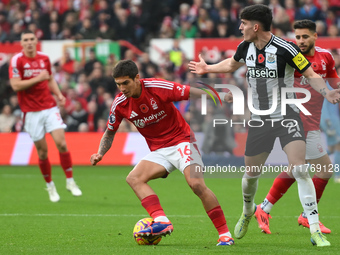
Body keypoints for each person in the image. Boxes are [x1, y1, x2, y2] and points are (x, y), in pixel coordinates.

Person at [188, 5, 340, 247]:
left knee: (300, 169)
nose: (240, 27)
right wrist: (208, 69)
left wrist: (328, 91)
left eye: (244, 23)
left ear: (255, 26)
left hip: (287, 115)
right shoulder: (245, 47)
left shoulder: (286, 48)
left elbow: (310, 74)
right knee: (250, 176)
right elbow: (231, 64)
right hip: (260, 119)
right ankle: (249, 210)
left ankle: (314, 228)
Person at [90, 59, 234, 246]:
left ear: (137, 78)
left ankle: (225, 234)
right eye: (118, 84)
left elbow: (190, 92)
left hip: (182, 141)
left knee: (196, 185)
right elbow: (110, 132)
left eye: (126, 83)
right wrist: (100, 153)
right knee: (133, 178)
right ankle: (162, 221)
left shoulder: (157, 86)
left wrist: (220, 96)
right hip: (159, 150)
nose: (122, 88)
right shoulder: (120, 104)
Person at [254, 20, 340, 235]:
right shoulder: (289, 55)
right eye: (298, 37)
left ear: (315, 36)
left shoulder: (326, 57)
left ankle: (264, 208)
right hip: (294, 120)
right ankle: (307, 216)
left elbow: (334, 83)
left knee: (297, 168)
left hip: (312, 121)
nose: (300, 41)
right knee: (324, 169)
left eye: (305, 37)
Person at [9, 30, 82, 202]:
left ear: (36, 41)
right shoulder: (17, 60)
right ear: (21, 43)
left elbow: (49, 79)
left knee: (61, 143)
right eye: (25, 40)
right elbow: (15, 85)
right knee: (42, 153)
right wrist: (37, 78)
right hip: (30, 112)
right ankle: (50, 185)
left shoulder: (44, 58)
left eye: (31, 39)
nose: (29, 42)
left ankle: (70, 181)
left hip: (49, 107)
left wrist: (58, 94)